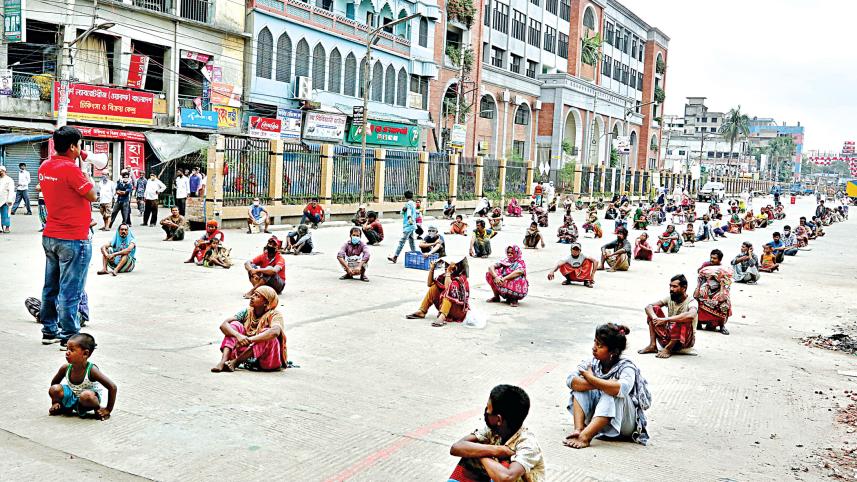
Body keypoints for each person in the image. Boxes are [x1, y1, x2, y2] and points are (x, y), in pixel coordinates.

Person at [38, 127, 97, 347]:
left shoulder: (46, 166)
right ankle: (69, 336)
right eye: (80, 145)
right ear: (73, 146)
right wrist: (86, 169)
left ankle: (49, 330)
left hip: (51, 234)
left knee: (50, 286)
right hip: (73, 237)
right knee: (71, 289)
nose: (81, 149)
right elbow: (92, 194)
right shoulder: (71, 170)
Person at [565, 323, 651, 449]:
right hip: (599, 419)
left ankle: (585, 437)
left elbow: (622, 389)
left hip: (624, 424)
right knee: (581, 388)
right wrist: (597, 382)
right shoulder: (592, 362)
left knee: (612, 391)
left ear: (614, 352)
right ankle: (579, 429)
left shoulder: (627, 367)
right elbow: (571, 381)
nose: (594, 348)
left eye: (600, 345)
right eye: (595, 343)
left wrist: (591, 378)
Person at [448, 385, 545, 482]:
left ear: (499, 419)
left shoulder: (527, 444)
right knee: (469, 456)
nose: (486, 412)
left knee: (501, 465)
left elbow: (507, 477)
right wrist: (498, 450)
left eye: (488, 410)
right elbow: (456, 447)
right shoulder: (492, 430)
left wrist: (479, 453)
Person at [212, 286, 288, 373]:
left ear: (266, 303)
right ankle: (223, 361)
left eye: (257, 296)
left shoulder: (275, 314)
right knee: (234, 325)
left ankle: (236, 362)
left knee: (267, 334)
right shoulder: (247, 311)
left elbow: (275, 332)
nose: (252, 297)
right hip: (247, 351)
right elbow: (224, 325)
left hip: (268, 359)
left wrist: (249, 339)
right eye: (253, 294)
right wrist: (238, 335)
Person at [48, 333, 117, 420]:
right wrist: (55, 401)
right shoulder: (65, 368)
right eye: (67, 349)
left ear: (85, 354)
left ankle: (97, 409)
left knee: (86, 396)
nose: (67, 352)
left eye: (72, 350)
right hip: (71, 396)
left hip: (87, 400)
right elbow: (54, 383)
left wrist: (108, 409)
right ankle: (60, 406)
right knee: (55, 388)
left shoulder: (92, 370)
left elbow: (112, 387)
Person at [638, 274, 698, 359]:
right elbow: (649, 307)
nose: (671, 289)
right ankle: (652, 345)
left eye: (674, 286)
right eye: (670, 286)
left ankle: (668, 349)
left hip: (684, 341)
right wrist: (655, 318)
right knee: (654, 310)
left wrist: (666, 320)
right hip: (668, 336)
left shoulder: (692, 301)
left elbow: (691, 315)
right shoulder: (669, 298)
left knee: (682, 318)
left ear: (684, 288)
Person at [406, 255, 470, 326]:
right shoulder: (445, 275)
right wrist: (432, 269)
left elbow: (448, 289)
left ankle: (442, 317)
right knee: (434, 287)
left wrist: (448, 272)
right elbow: (429, 283)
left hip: (458, 311)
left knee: (447, 293)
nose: (446, 266)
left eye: (448, 265)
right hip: (447, 307)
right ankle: (422, 311)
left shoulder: (461, 278)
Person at [695, 254, 732, 335]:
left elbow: (722, 299)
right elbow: (696, 296)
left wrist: (722, 286)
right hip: (707, 296)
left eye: (714, 258)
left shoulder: (724, 285)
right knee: (695, 301)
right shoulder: (705, 285)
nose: (712, 260)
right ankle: (699, 323)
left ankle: (722, 326)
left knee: (724, 304)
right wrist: (698, 284)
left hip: (716, 300)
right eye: (711, 258)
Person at [388, 190, 417, 264]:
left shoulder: (409, 204)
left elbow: (409, 213)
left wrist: (409, 218)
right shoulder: (412, 203)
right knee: (411, 241)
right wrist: (404, 211)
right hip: (411, 225)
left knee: (402, 241)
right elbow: (404, 212)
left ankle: (395, 257)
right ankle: (415, 255)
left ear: (405, 196)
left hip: (408, 225)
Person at [0, 165, 15, 232]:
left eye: (1, 171)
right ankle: (1, 227)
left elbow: (11, 190)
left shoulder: (9, 180)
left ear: (4, 171)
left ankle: (7, 227)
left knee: (6, 214)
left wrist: (9, 199)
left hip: (5, 200)